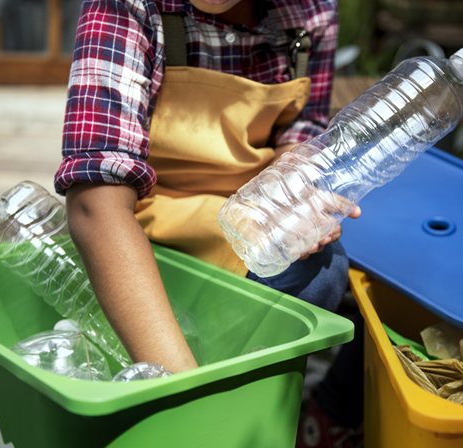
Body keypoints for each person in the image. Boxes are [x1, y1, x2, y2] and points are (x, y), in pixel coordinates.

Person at [55, 0, 363, 445]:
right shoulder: (127, 7)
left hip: (241, 223)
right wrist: (188, 397)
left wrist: (296, 185)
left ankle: (247, 412)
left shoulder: (311, 11)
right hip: (141, 227)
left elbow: (301, 130)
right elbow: (95, 204)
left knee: (323, 268)